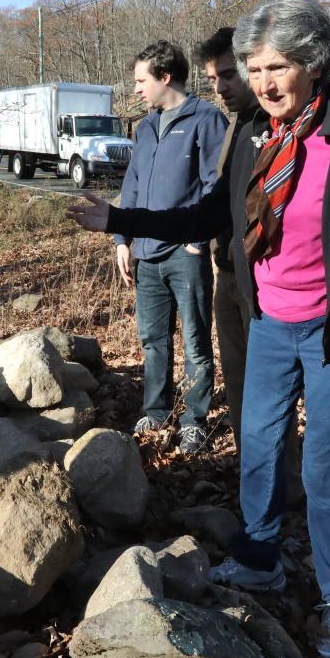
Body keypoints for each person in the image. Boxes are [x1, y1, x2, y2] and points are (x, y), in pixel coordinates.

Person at [68, 0, 330, 658]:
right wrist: (120, 220)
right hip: (269, 323)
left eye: (278, 67)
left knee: (325, 466)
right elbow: (207, 217)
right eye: (254, 68)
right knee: (258, 445)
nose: (264, 82)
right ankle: (260, 555)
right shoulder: (256, 138)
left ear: (313, 64)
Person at [196, 28, 304, 514]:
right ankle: (256, 484)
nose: (220, 86)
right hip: (228, 274)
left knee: (269, 398)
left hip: (261, 284)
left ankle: (286, 489)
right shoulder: (238, 125)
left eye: (226, 75)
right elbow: (224, 204)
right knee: (238, 387)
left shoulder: (277, 123)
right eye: (213, 78)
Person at [115, 40, 227, 454]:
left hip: (186, 253)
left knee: (196, 340)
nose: (137, 90)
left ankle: (195, 419)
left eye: (141, 81)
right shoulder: (145, 127)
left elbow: (216, 186)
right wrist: (122, 239)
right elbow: (133, 185)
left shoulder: (206, 119)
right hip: (145, 254)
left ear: (165, 77)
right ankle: (156, 411)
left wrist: (199, 239)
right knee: (152, 339)